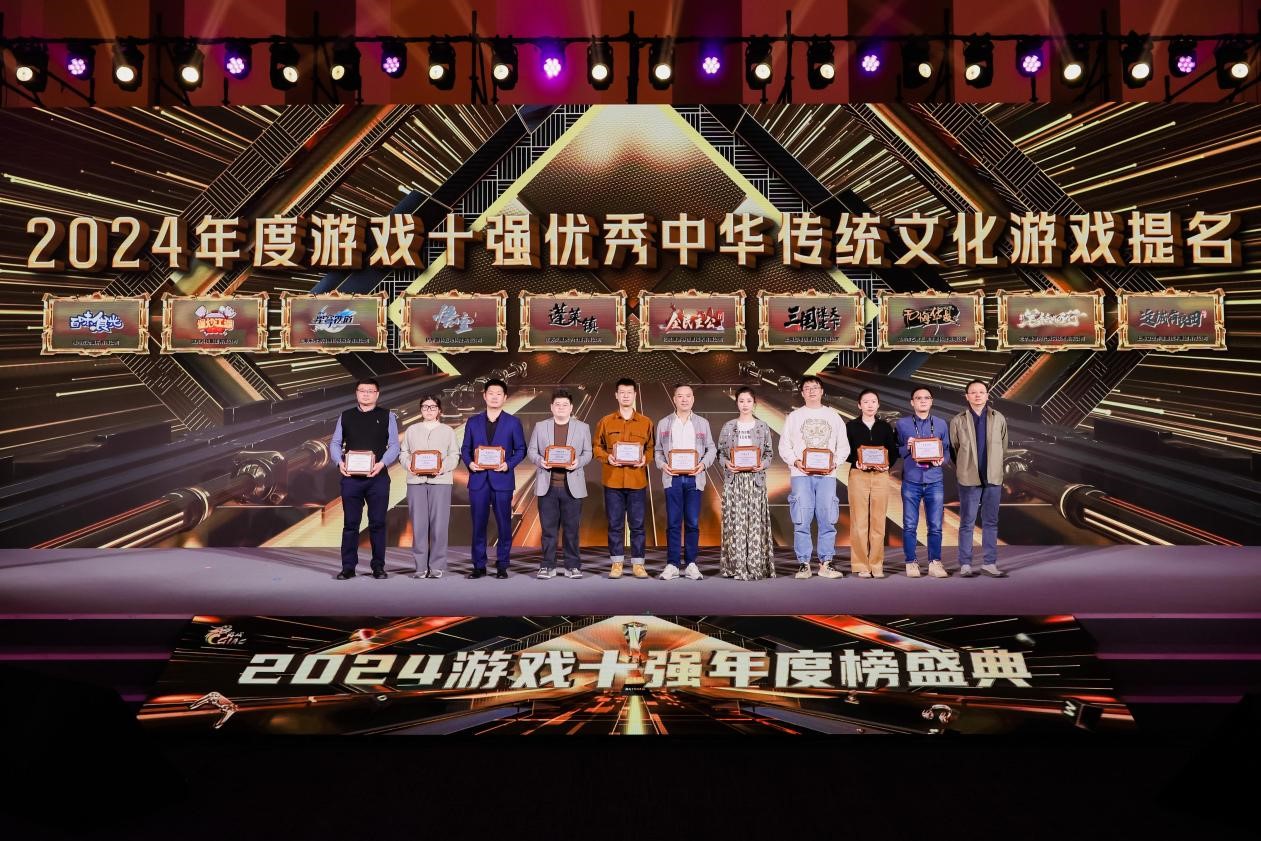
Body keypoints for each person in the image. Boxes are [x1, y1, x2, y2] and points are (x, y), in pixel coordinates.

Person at [778, 375, 850, 580]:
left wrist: (834, 463)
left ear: (822, 391)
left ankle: (826, 563)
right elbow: (784, 446)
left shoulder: (833, 416)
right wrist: (796, 462)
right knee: (801, 519)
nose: (811, 391)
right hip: (801, 475)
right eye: (807, 388)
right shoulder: (794, 417)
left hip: (827, 475)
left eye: (815, 387)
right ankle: (804, 564)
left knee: (827, 519)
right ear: (802, 393)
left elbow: (843, 446)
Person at [330, 378, 400, 580]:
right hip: (351, 479)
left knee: (377, 523)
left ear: (377, 394)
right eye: (362, 390)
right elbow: (335, 443)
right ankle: (348, 567)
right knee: (350, 524)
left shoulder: (387, 416)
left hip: (378, 478)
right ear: (356, 393)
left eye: (370, 391)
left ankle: (378, 567)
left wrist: (382, 463)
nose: (366, 394)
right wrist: (339, 462)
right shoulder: (346, 416)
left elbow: (394, 445)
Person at [460, 378, 526, 579]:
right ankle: (478, 565)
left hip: (502, 480)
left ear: (505, 397)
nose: (495, 397)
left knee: (504, 524)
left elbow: (521, 449)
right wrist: (470, 463)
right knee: (478, 525)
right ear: (484, 396)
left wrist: (508, 464)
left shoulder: (513, 422)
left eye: (499, 394)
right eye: (491, 393)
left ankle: (502, 565)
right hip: (478, 480)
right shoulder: (473, 422)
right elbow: (465, 448)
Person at [526, 389, 593, 579]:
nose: (561, 408)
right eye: (557, 404)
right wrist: (541, 461)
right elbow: (532, 451)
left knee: (571, 530)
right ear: (551, 407)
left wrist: (577, 462)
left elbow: (588, 453)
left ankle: (573, 566)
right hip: (547, 486)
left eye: (565, 405)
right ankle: (547, 566)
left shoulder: (582, 427)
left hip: (572, 487)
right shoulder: (541, 426)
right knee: (548, 531)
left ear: (571, 407)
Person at [654, 383, 717, 581]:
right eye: (680, 396)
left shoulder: (702, 423)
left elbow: (712, 449)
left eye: (688, 396)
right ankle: (672, 564)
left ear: (693, 399)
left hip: (694, 479)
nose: (684, 399)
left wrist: (703, 465)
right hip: (672, 479)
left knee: (692, 522)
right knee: (673, 523)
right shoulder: (664, 423)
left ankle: (691, 564)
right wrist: (662, 465)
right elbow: (657, 451)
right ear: (674, 399)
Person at [593, 378, 654, 580]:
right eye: (622, 392)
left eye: (629, 392)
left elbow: (651, 448)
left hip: (637, 481)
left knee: (638, 525)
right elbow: (597, 447)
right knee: (615, 525)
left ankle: (638, 564)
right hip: (613, 481)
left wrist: (645, 459)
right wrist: (607, 457)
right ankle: (617, 563)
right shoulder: (605, 421)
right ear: (616, 395)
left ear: (635, 395)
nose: (626, 396)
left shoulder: (646, 422)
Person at [949, 380, 1009, 578]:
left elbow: (1004, 446)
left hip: (993, 478)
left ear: (987, 395)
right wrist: (965, 468)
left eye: (981, 392)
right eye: (973, 392)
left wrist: (994, 466)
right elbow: (954, 449)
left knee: (991, 522)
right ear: (967, 396)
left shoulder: (998, 418)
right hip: (969, 479)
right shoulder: (958, 420)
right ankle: (965, 564)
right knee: (967, 522)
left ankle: (989, 563)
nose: (977, 395)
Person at [717, 386, 775, 580]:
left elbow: (769, 454)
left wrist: (762, 465)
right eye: (741, 401)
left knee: (755, 525)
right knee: (735, 524)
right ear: (737, 403)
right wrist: (727, 464)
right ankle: (736, 567)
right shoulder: (728, 426)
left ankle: (755, 566)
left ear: (754, 403)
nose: (745, 404)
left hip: (755, 481)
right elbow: (720, 453)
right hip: (734, 481)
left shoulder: (762, 427)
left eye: (748, 401)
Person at [399, 395, 460, 579]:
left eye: (433, 407)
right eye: (425, 407)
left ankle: (437, 565)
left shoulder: (448, 431)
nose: (429, 410)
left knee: (439, 525)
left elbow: (454, 455)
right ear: (421, 410)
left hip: (440, 481)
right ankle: (420, 566)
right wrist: (409, 465)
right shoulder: (412, 430)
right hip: (416, 481)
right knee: (418, 525)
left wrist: (443, 467)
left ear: (439, 410)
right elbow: (403, 453)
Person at [895, 385, 952, 579]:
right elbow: (896, 450)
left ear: (931, 401)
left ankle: (935, 562)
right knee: (910, 524)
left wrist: (942, 460)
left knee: (935, 525)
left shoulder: (941, 424)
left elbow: (947, 451)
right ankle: (910, 562)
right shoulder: (902, 424)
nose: (922, 401)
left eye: (926, 398)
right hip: (911, 480)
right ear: (912, 402)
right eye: (918, 398)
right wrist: (907, 446)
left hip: (934, 480)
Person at [845, 388, 899, 578]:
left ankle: (876, 564)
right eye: (866, 402)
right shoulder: (851, 426)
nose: (870, 405)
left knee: (878, 520)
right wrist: (856, 461)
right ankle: (861, 564)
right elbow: (845, 450)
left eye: (873, 401)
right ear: (859, 405)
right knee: (859, 520)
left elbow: (893, 450)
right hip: (858, 474)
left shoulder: (885, 427)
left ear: (878, 405)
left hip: (881, 475)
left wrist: (887, 464)